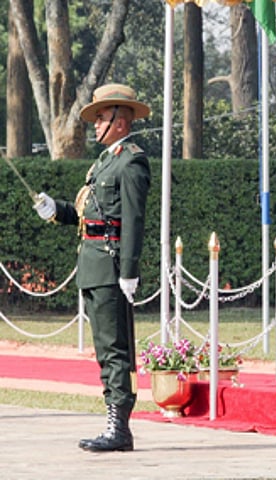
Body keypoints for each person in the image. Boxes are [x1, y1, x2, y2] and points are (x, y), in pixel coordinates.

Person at [34, 84, 151, 451]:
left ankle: (119, 428)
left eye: (101, 117)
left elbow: (132, 220)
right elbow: (91, 216)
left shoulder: (131, 160)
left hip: (111, 266)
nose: (96, 124)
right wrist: (58, 210)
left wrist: (129, 270)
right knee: (104, 348)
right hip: (92, 265)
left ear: (121, 120)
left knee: (114, 348)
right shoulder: (104, 161)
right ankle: (114, 423)